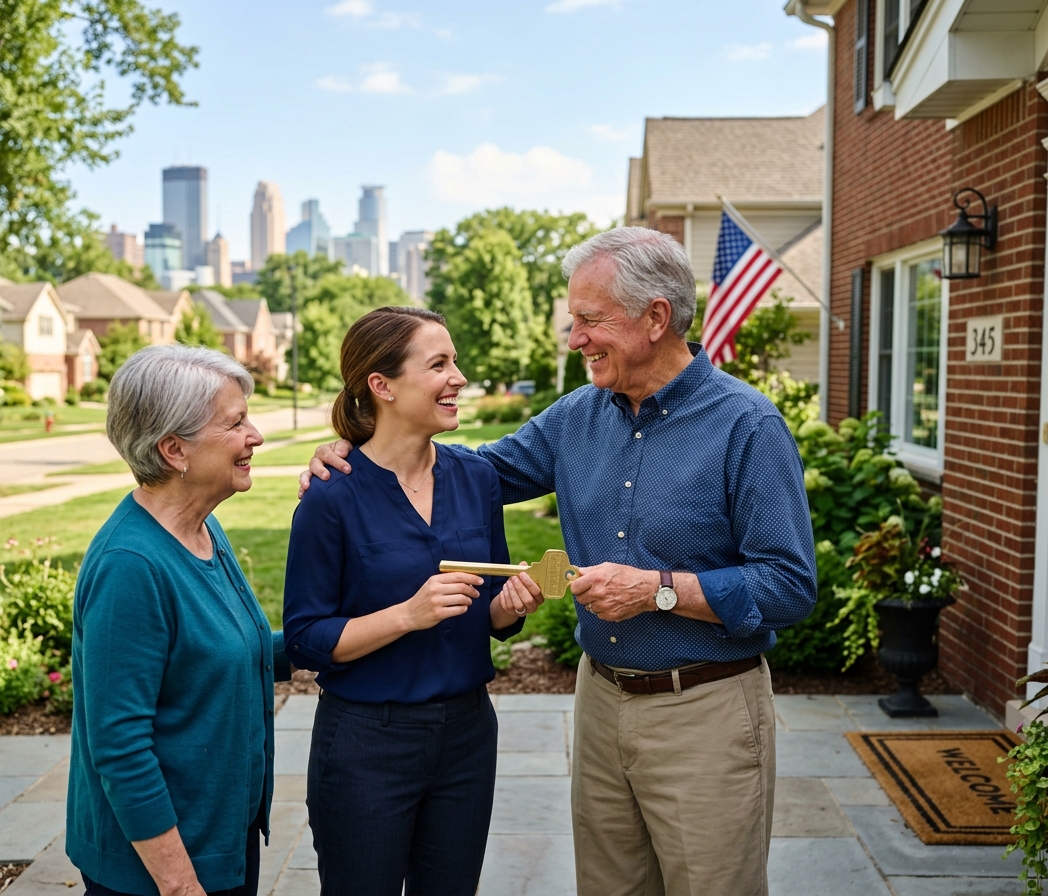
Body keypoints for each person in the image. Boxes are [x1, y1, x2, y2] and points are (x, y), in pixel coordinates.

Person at [301, 228, 818, 896]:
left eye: (589, 320)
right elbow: (468, 471)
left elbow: (789, 586)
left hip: (706, 711)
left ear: (656, 317)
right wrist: (353, 445)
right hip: (600, 702)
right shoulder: (577, 417)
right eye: (574, 321)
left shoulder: (746, 426)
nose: (575, 339)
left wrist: (657, 590)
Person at [283, 306, 539, 896]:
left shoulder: (477, 479)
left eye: (455, 362)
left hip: (468, 736)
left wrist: (511, 606)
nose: (460, 377)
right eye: (440, 364)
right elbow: (305, 639)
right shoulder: (330, 497)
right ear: (383, 386)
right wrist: (407, 615)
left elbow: (488, 612)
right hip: (367, 744)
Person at [67, 345, 290, 896]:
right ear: (174, 450)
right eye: (236, 423)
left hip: (218, 841)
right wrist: (180, 885)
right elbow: (120, 747)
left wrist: (396, 620)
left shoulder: (200, 529)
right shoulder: (131, 566)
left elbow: (245, 651)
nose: (256, 436)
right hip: (160, 871)